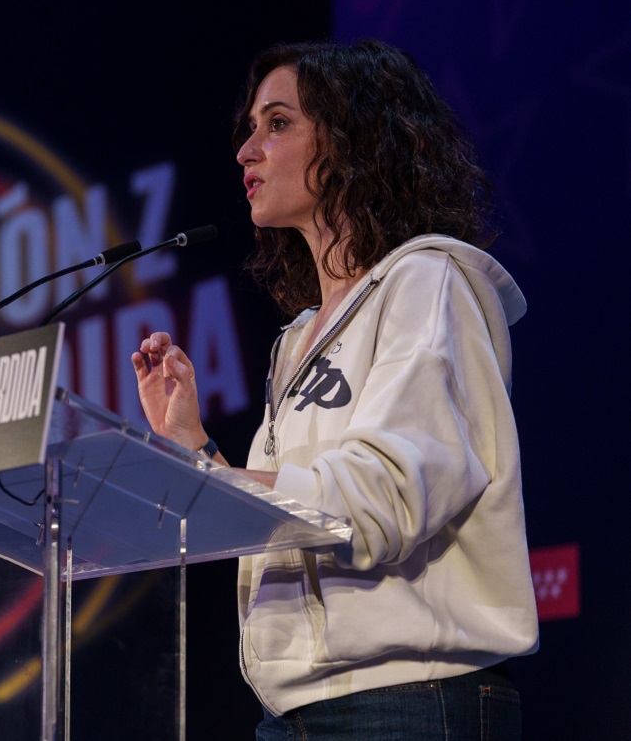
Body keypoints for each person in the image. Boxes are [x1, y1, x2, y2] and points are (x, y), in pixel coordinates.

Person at [132, 40, 538, 740]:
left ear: (354, 142)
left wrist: (226, 479)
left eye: (279, 123)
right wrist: (193, 449)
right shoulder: (297, 341)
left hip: (406, 701)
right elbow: (292, 513)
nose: (246, 152)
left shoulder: (427, 282)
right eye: (251, 128)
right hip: (294, 714)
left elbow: (383, 496)